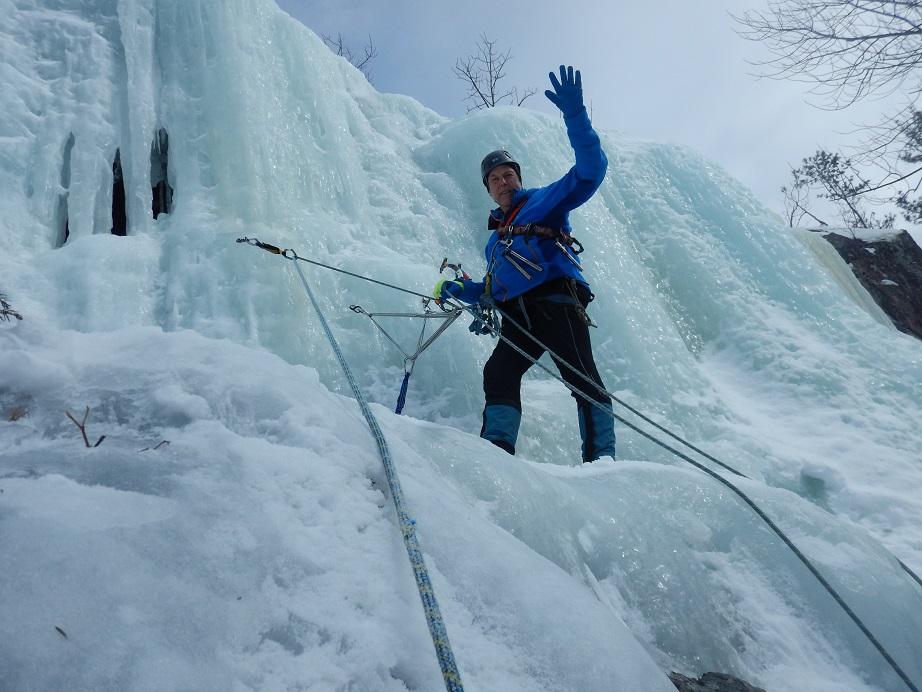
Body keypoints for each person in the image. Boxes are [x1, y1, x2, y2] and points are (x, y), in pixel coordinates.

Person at [434, 65, 616, 464]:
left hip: (555, 302)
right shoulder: (495, 240)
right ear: (488, 188)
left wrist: (575, 116)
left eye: (508, 174)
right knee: (498, 373)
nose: (503, 181)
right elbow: (494, 287)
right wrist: (460, 290)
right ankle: (498, 454)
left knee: (582, 378)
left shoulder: (543, 202)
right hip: (519, 316)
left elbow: (589, 173)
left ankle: (602, 461)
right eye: (495, 178)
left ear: (519, 178)